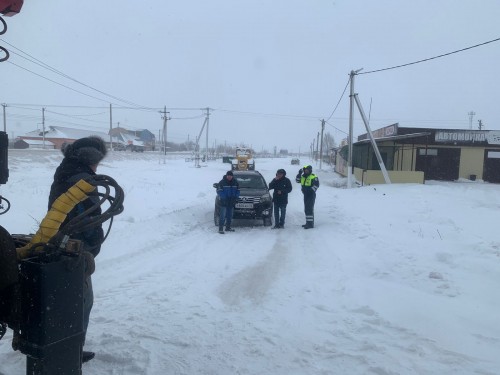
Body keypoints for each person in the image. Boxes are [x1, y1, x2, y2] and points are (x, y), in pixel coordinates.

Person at [48, 136, 108, 363]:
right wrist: (91, 248)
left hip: (57, 240)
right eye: (98, 160)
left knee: (63, 299)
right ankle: (70, 349)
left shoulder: (64, 172)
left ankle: (56, 342)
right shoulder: (83, 181)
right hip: (75, 248)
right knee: (81, 301)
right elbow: (88, 221)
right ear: (92, 159)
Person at [296, 164, 319, 229]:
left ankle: (310, 224)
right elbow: (297, 180)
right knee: (306, 209)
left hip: (311, 195)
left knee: (309, 209)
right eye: (305, 170)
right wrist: (299, 174)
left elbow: (316, 186)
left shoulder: (313, 176)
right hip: (305, 195)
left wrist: (308, 190)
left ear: (310, 170)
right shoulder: (303, 176)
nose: (306, 171)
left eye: (307, 170)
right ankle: (308, 223)